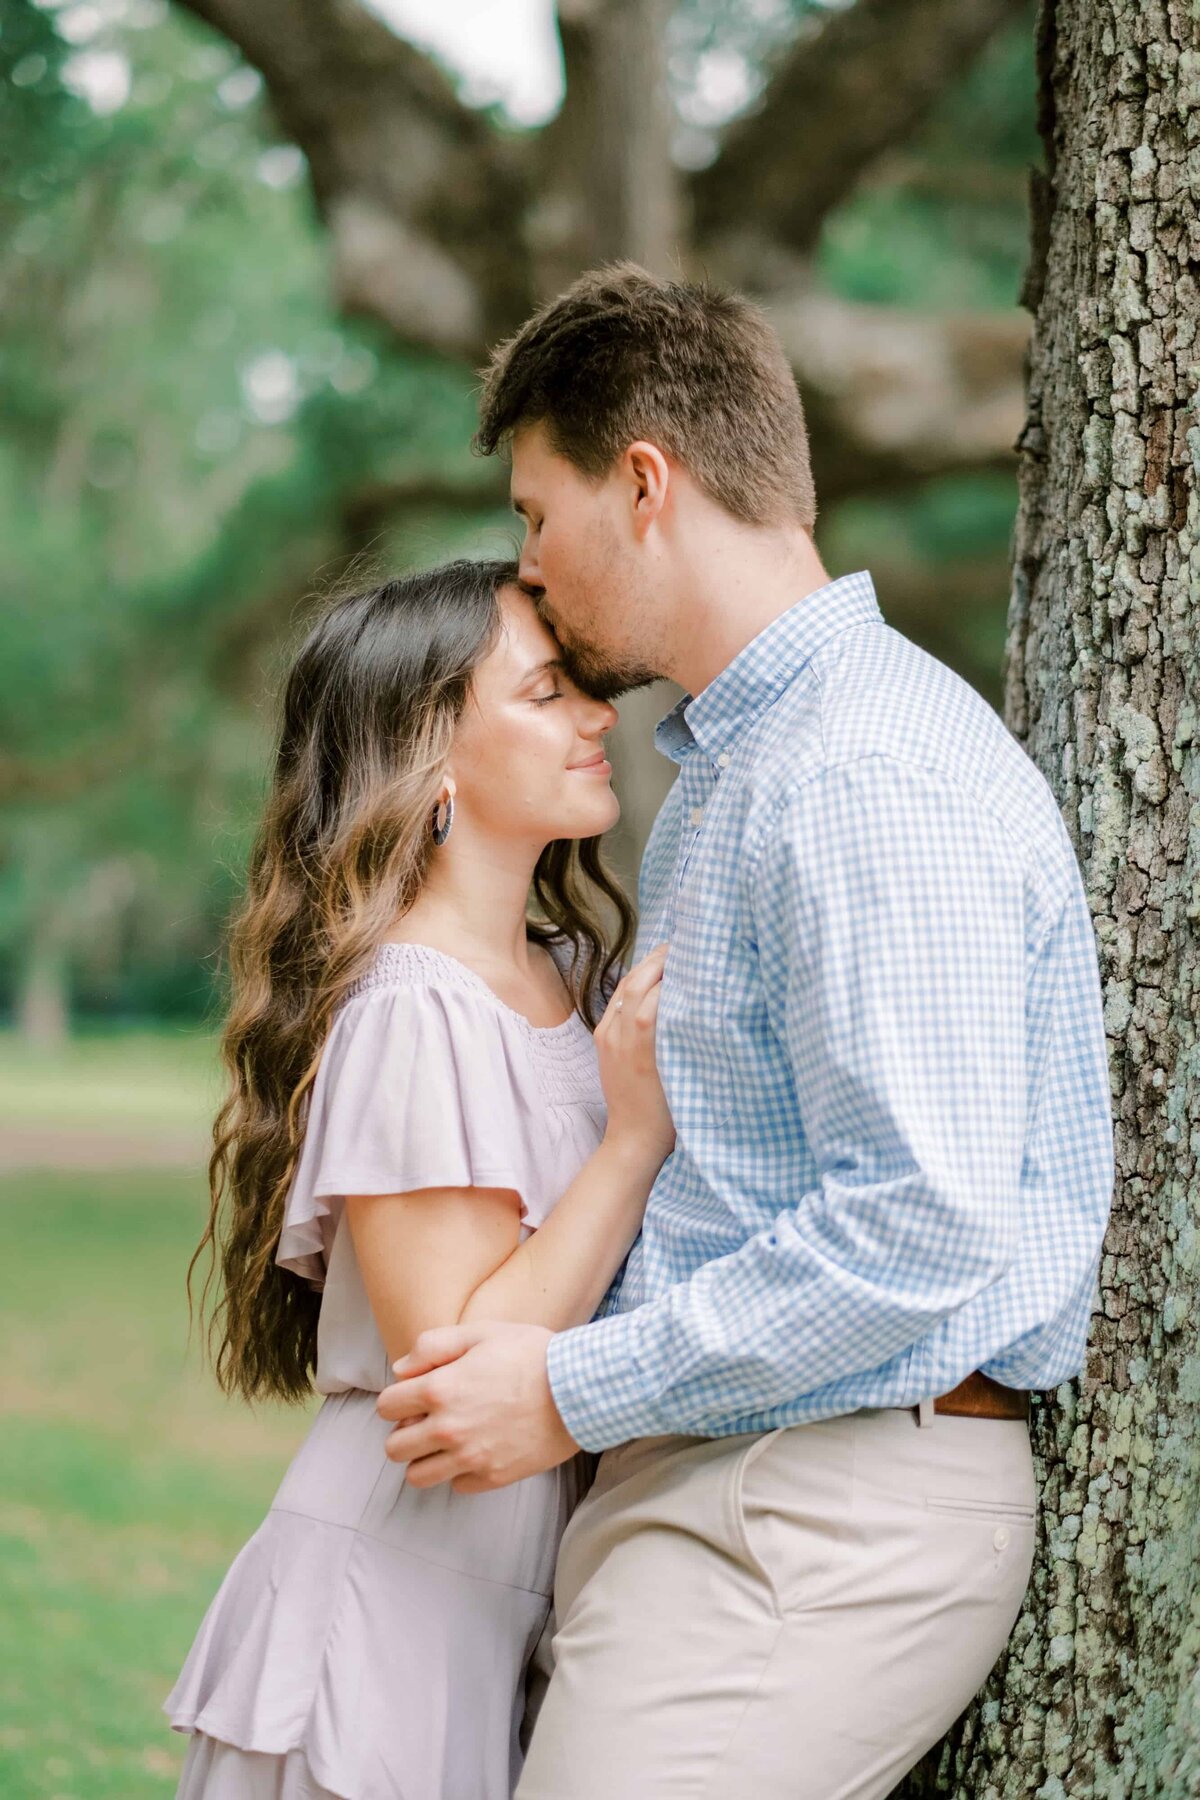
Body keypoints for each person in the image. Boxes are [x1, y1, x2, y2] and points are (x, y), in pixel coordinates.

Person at [376, 266, 1116, 1799]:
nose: (528, 560)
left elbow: (919, 1222)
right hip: (740, 1491)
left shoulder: (854, 775)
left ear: (643, 483)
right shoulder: (746, 758)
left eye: (535, 511)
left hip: (812, 1508)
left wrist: (572, 1391)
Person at [164, 557, 676, 1799]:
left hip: (510, 1602)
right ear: (428, 753)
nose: (595, 714)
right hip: (385, 1608)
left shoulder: (571, 975)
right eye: (546, 690)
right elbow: (455, 1371)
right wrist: (630, 1141)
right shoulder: (411, 1009)